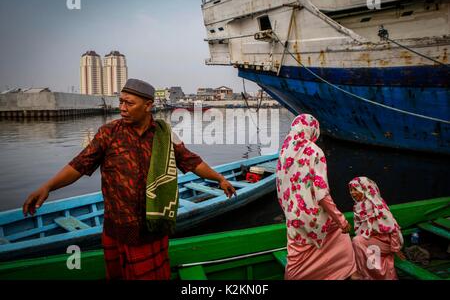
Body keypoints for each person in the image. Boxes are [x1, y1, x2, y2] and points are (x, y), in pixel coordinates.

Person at [22, 78, 236, 280]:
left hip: (150, 228)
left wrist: (219, 179)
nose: (122, 108)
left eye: (129, 103)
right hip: (117, 227)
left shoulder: (164, 135)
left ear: (148, 105)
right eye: (121, 102)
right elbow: (79, 165)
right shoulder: (109, 133)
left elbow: (192, 162)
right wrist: (48, 186)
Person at [276, 113, 357, 280]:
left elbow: (280, 186)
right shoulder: (314, 151)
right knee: (341, 235)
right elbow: (321, 194)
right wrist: (340, 219)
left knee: (296, 256)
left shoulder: (284, 150)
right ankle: (351, 274)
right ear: (312, 129)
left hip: (293, 216)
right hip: (313, 216)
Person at [349, 176, 405, 280]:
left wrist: (396, 249)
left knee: (357, 241)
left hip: (388, 241)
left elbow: (393, 228)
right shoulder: (358, 206)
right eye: (351, 190)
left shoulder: (376, 205)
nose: (352, 193)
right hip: (374, 240)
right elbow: (359, 230)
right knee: (357, 241)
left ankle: (371, 275)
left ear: (364, 188)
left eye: (355, 189)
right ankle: (368, 273)